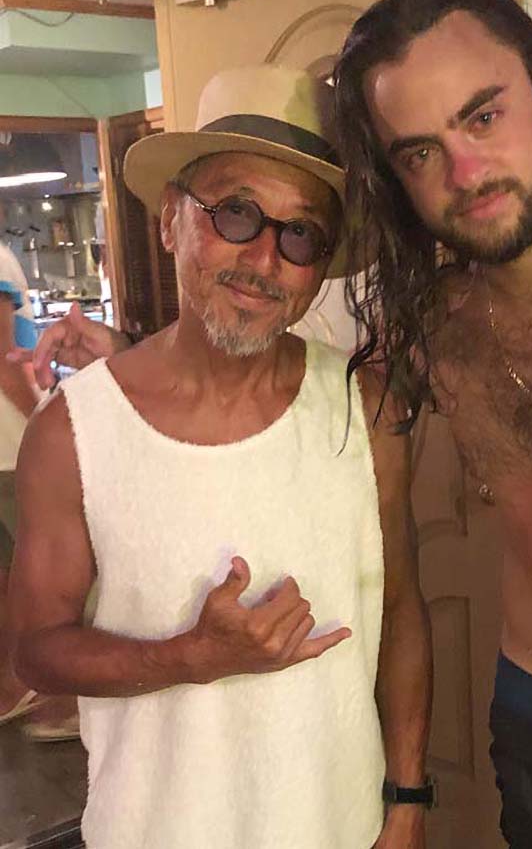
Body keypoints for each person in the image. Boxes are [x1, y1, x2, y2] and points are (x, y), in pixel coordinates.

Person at [24, 0, 532, 848]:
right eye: (418, 153)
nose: (466, 172)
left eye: (482, 117)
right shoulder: (431, 325)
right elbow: (250, 365)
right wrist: (125, 369)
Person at [8, 64, 431, 849]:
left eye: (300, 233)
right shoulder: (73, 434)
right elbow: (36, 650)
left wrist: (407, 801)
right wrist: (192, 655)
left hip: (340, 828)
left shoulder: (365, 411)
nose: (265, 259)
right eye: (236, 212)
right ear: (171, 219)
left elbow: (402, 610)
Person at [0, 238, 78, 741]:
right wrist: (43, 425)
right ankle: (50, 699)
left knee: (17, 579)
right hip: (11, 447)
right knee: (36, 579)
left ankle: (25, 692)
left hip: (7, 450)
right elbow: (5, 358)